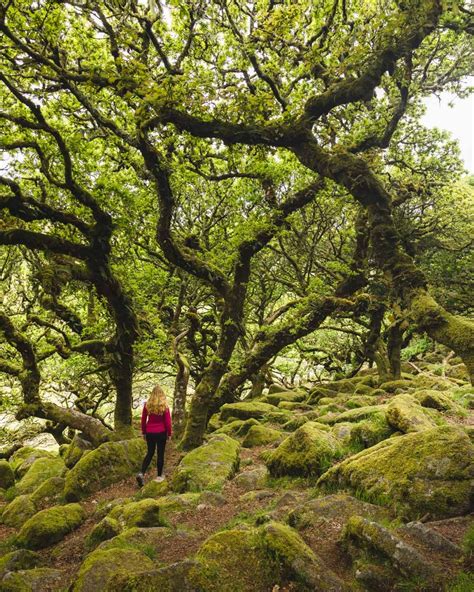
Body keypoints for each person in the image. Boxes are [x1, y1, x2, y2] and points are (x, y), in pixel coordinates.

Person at [136, 384, 172, 487]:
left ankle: (141, 473)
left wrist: (144, 432)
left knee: (150, 453)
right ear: (162, 394)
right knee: (160, 454)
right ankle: (159, 476)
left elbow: (143, 420)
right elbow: (168, 422)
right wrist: (169, 433)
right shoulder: (164, 406)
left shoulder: (147, 405)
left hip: (150, 432)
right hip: (161, 432)